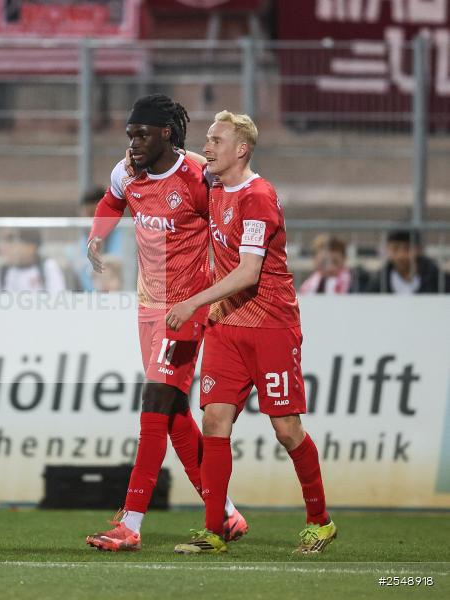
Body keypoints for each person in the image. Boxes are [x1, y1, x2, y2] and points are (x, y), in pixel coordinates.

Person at [165, 111, 336, 555]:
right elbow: (183, 158)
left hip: (271, 327)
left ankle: (320, 521)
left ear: (241, 149)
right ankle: (214, 530)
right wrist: (151, 146)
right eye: (206, 139)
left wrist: (191, 302)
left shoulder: (258, 197)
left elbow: (248, 272)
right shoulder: (214, 183)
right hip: (227, 326)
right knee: (215, 420)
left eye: (216, 140)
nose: (208, 146)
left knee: (286, 428)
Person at [84, 94, 247, 552]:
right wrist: (97, 238)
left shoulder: (199, 177)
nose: (133, 144)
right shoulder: (127, 172)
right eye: (130, 135)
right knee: (174, 417)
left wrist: (223, 296)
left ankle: (131, 521)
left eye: (141, 135)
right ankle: (227, 513)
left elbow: (230, 229)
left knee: (154, 403)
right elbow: (110, 201)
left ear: (167, 135)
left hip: (187, 310)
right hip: (148, 308)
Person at [71, 186, 122, 291]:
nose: (93, 219)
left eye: (98, 214)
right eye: (89, 214)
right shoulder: (79, 245)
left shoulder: (123, 237)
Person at [366, 229, 447, 294]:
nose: (401, 255)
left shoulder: (437, 278)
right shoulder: (379, 280)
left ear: (418, 250)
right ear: (388, 249)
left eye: (407, 249)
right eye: (395, 249)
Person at [0, 228, 66, 292]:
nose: (8, 249)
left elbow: (58, 299)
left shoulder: (48, 267)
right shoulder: (3, 271)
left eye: (14, 243)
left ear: (31, 247)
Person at [299, 234, 369, 294]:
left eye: (335, 262)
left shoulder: (357, 284)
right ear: (314, 260)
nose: (330, 268)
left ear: (344, 260)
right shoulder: (307, 286)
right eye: (324, 263)